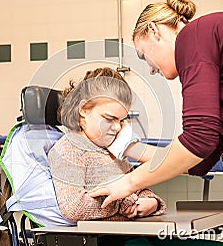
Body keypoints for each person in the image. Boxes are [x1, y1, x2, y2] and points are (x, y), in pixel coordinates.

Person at [89, 0, 223, 208]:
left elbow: (198, 141)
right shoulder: (207, 54)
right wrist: (126, 147)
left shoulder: (193, 36)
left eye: (144, 56)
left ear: (154, 30)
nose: (151, 70)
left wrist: (128, 183)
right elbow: (201, 158)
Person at [48, 67, 166, 223]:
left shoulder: (111, 148)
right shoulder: (69, 150)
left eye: (121, 120)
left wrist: (151, 202)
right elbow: (73, 208)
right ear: (84, 109)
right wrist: (123, 202)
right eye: (110, 119)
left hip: (128, 232)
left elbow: (136, 188)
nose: (118, 128)